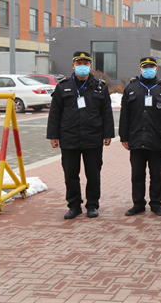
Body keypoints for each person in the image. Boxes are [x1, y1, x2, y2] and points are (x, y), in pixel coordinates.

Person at [47, 51, 114, 220]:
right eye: (79, 63)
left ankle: (92, 205)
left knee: (93, 174)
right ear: (73, 65)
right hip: (69, 137)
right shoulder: (63, 86)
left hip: (93, 137)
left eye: (85, 63)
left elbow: (106, 112)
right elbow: (55, 113)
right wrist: (54, 136)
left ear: (90, 66)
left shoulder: (100, 86)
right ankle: (74, 206)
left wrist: (108, 134)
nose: (82, 66)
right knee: (70, 174)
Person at [119, 57, 161, 217]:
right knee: (137, 174)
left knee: (156, 175)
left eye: (151, 67)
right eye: (145, 67)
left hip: (157, 139)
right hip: (136, 139)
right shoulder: (131, 88)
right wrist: (124, 137)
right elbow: (124, 115)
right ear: (140, 69)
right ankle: (138, 204)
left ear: (156, 69)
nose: (148, 69)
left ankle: (156, 204)